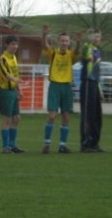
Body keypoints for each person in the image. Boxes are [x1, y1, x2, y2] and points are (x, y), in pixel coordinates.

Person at [41, 26, 82, 154]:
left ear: (69, 43)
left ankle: (62, 146)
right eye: (62, 40)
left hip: (66, 87)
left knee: (66, 117)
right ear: (59, 42)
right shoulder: (53, 53)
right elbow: (45, 46)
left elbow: (76, 51)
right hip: (55, 86)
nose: (64, 43)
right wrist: (44, 36)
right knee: (52, 116)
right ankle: (47, 143)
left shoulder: (71, 55)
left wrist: (79, 42)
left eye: (66, 41)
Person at [0, 35, 24, 153]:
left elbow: (15, 73)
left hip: (13, 91)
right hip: (5, 91)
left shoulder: (14, 58)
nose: (15, 46)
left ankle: (12, 144)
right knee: (6, 119)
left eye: (16, 44)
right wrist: (15, 80)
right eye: (13, 44)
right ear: (7, 45)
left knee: (16, 118)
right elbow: (6, 74)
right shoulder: (3, 58)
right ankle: (5, 146)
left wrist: (19, 89)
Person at [79, 29, 104, 152]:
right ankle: (85, 143)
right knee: (87, 114)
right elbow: (83, 55)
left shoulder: (97, 51)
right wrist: (86, 42)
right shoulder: (87, 47)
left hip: (95, 83)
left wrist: (100, 88)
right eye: (94, 36)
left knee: (97, 115)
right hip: (88, 82)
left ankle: (94, 142)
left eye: (98, 36)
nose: (96, 38)